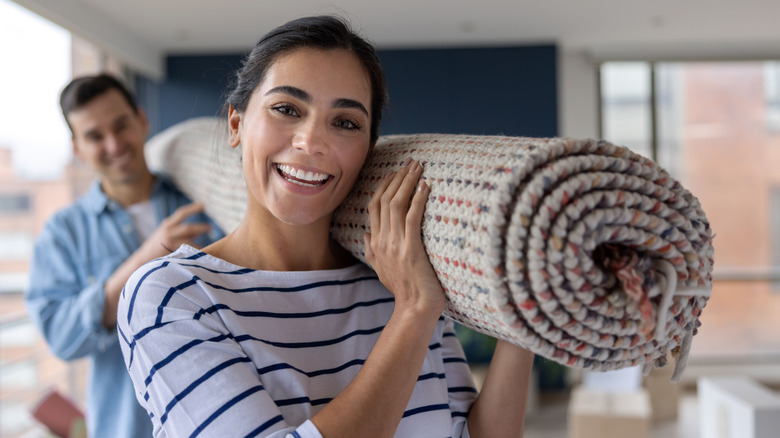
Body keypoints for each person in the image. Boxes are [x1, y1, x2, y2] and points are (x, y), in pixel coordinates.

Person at [118, 15, 534, 438]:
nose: (311, 141)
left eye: (346, 123)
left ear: (367, 150)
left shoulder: (398, 273)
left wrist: (527, 302)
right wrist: (412, 313)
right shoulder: (170, 295)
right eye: (286, 109)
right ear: (237, 124)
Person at [25, 74, 224, 438]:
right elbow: (62, 339)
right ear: (77, 148)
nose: (114, 144)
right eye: (95, 136)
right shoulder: (63, 233)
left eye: (121, 126)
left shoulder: (201, 198)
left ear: (142, 120)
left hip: (214, 419)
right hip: (125, 427)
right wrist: (146, 257)